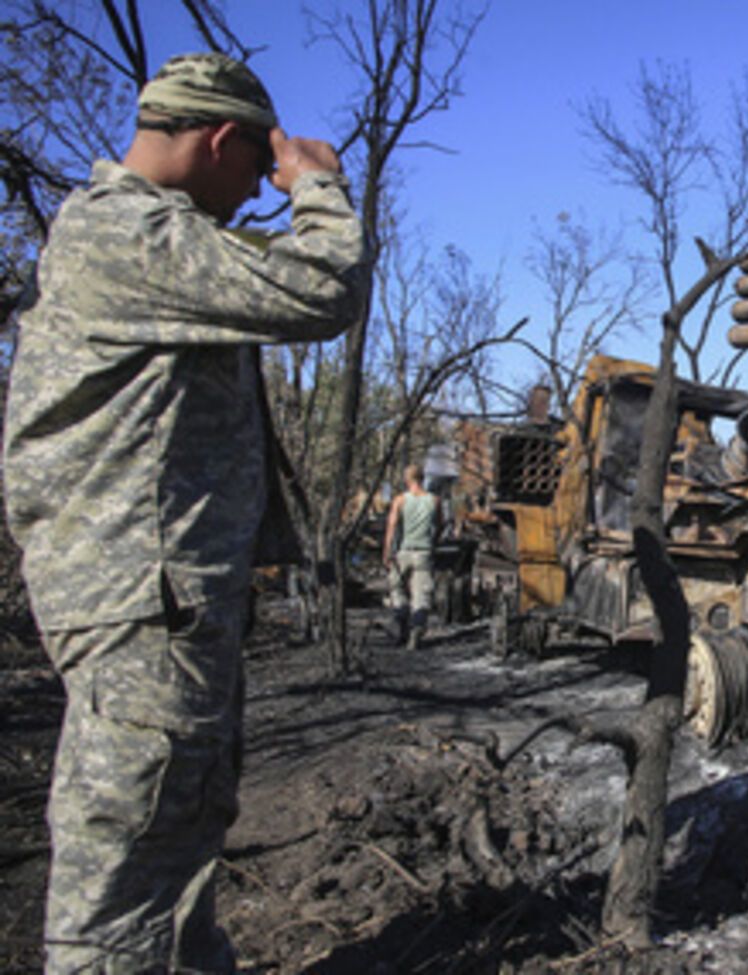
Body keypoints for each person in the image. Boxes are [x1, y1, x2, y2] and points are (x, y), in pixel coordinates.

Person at [2, 52, 370, 973]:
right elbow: (324, 284)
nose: (256, 191)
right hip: (142, 605)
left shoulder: (142, 241)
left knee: (179, 843)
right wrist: (315, 185)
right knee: (123, 885)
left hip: (159, 602)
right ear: (219, 141)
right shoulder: (128, 237)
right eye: (255, 169)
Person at [383, 463, 444, 649]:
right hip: (424, 552)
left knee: (397, 590)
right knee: (422, 595)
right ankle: (417, 627)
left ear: (407, 479)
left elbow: (392, 527)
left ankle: (402, 625)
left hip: (403, 552)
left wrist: (386, 551)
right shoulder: (434, 501)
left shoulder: (400, 500)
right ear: (423, 478)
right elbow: (440, 525)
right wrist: (433, 541)